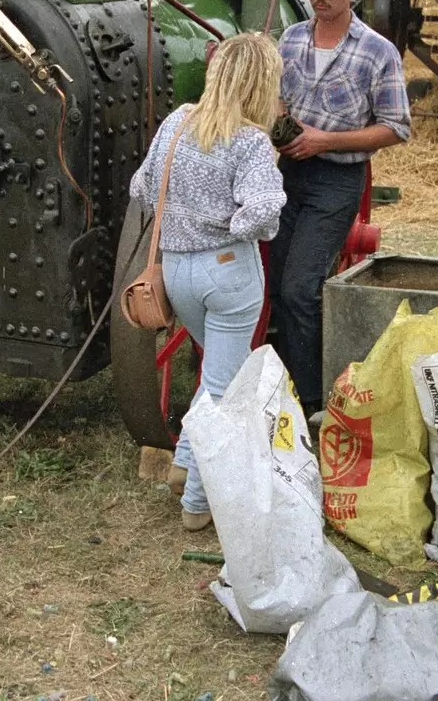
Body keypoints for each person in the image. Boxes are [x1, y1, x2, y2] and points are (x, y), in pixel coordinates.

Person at [128, 33, 288, 531]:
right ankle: (196, 503)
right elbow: (262, 213)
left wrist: (186, 216)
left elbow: (142, 188)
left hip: (176, 273)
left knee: (214, 375)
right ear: (262, 83)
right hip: (227, 271)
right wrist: (230, 223)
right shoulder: (251, 141)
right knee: (222, 385)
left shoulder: (178, 122)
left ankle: (186, 463)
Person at [270, 0, 410, 414]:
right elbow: (276, 98)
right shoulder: (289, 39)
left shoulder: (377, 52)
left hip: (335, 181)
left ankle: (312, 403)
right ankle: (282, 386)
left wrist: (322, 141)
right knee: (273, 285)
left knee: (299, 288)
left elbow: (395, 128)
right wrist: (281, 123)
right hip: (287, 172)